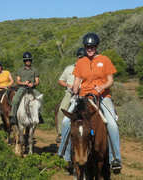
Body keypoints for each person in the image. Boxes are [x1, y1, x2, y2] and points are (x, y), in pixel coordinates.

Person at [58, 33, 122, 172]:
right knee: (65, 122)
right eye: (87, 46)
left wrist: (102, 87)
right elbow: (76, 82)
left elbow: (110, 80)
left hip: (102, 96)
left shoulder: (105, 60)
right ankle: (65, 155)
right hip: (83, 97)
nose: (90, 49)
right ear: (85, 47)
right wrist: (75, 91)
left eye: (92, 46)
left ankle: (115, 158)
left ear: (96, 46)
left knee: (111, 123)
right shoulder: (81, 62)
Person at [56, 48, 86, 142]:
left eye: (83, 57)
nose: (81, 59)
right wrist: (68, 85)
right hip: (70, 93)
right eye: (80, 57)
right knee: (62, 110)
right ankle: (60, 134)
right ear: (77, 57)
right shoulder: (69, 68)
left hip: (83, 94)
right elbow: (60, 81)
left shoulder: (88, 69)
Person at [9, 52, 42, 124]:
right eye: (27, 60)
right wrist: (24, 83)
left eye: (29, 60)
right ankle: (13, 116)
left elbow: (37, 81)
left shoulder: (34, 70)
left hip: (32, 88)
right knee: (15, 100)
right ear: (24, 61)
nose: (28, 61)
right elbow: (17, 81)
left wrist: (33, 84)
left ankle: (39, 116)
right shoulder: (20, 70)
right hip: (22, 88)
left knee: (40, 98)